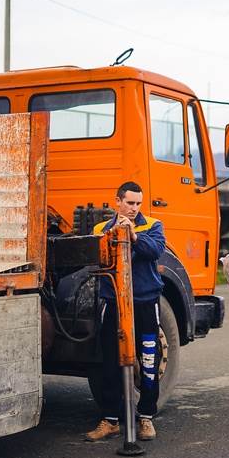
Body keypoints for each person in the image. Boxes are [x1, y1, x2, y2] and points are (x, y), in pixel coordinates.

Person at [84, 181, 167, 443]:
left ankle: (145, 418)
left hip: (145, 300)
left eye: (138, 203)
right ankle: (110, 419)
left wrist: (134, 237)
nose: (134, 208)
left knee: (149, 359)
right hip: (113, 302)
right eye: (129, 203)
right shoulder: (101, 228)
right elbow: (96, 256)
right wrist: (116, 233)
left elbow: (156, 250)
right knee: (109, 359)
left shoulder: (152, 225)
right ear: (117, 201)